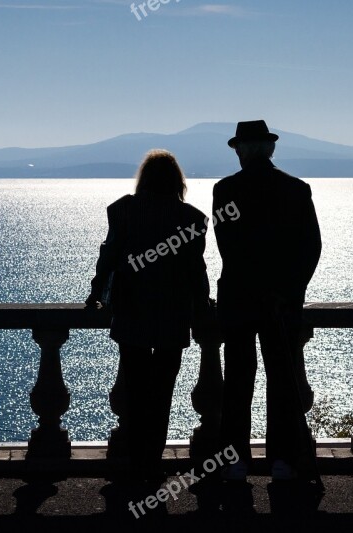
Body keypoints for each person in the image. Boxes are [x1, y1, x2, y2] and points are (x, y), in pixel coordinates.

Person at [86, 149, 211, 481]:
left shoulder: (123, 210)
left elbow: (109, 257)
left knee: (137, 390)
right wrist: (203, 307)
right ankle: (152, 461)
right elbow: (196, 271)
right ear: (177, 182)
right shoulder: (193, 220)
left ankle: (137, 461)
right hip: (172, 315)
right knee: (163, 393)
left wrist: (96, 294)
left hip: (132, 313)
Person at [214, 120, 322, 481]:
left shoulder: (225, 189)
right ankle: (282, 459)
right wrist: (288, 292)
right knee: (282, 380)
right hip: (283, 304)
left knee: (238, 381)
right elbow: (310, 248)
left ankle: (235, 460)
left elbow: (227, 246)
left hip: (239, 300)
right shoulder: (296, 189)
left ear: (240, 149)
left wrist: (255, 286)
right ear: (270, 148)